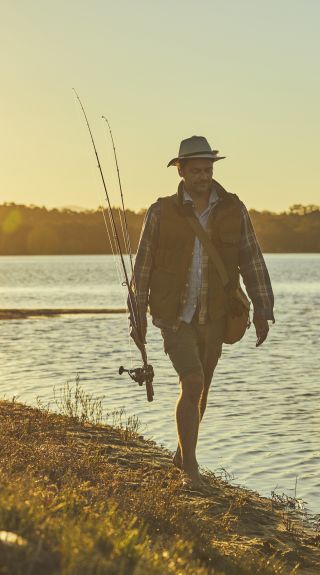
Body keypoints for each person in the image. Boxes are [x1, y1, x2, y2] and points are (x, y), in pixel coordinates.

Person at [129, 136, 275, 490]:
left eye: (208, 170)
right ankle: (190, 468)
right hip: (173, 314)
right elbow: (143, 266)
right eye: (196, 171)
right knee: (191, 381)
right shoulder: (161, 211)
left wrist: (262, 309)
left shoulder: (233, 209)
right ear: (180, 170)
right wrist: (137, 316)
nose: (203, 177)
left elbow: (251, 258)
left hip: (217, 314)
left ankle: (182, 454)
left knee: (202, 387)